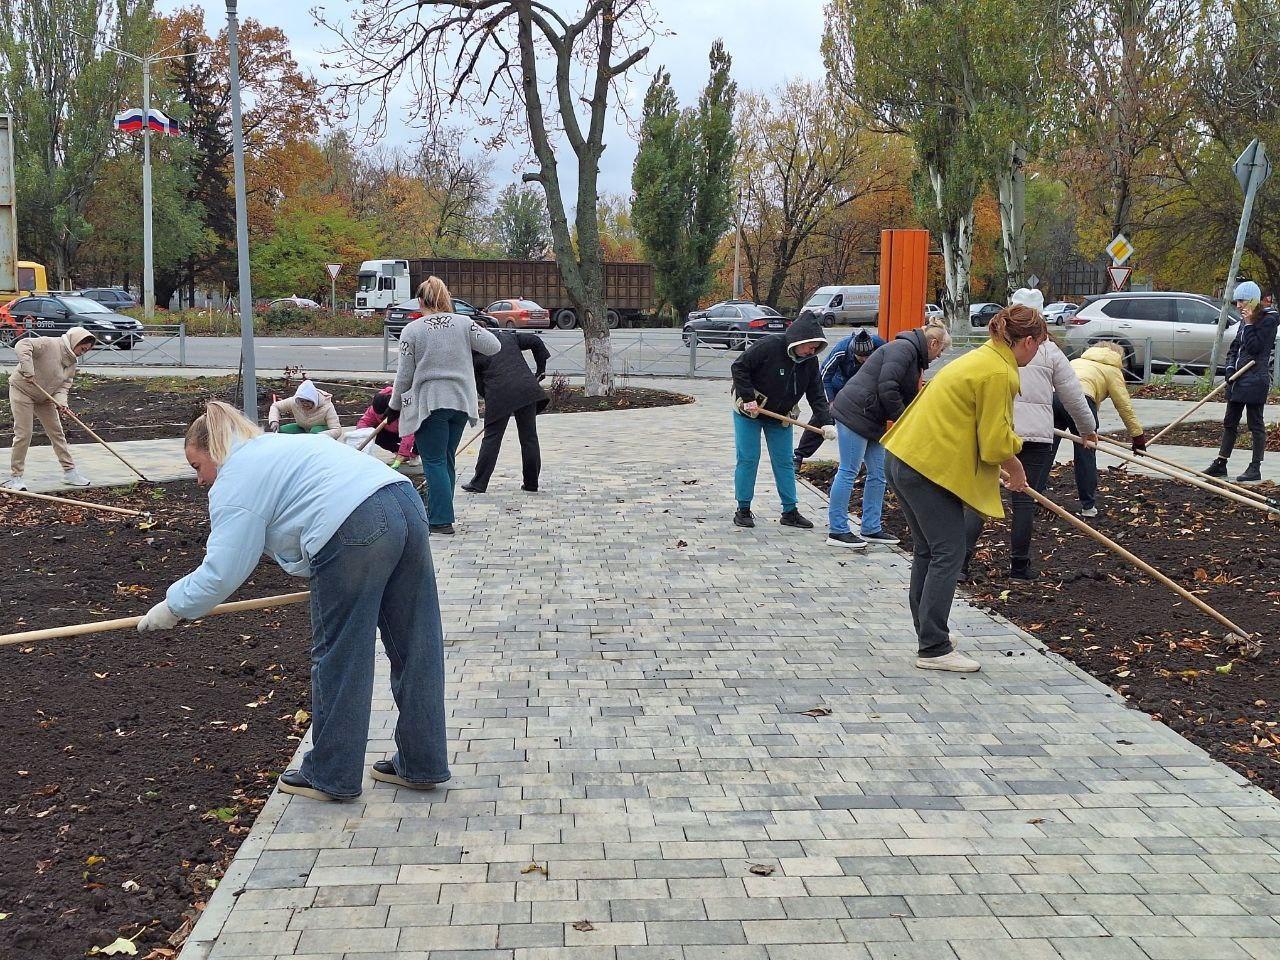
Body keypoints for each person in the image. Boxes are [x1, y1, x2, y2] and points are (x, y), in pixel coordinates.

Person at [136, 401, 450, 802]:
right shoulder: (277, 448)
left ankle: (331, 774)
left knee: (341, 655)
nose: (200, 480)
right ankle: (422, 764)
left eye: (197, 467)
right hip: (403, 502)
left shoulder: (235, 479)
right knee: (416, 644)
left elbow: (223, 571)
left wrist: (172, 606)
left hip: (354, 523)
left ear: (215, 450)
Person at [883, 304, 1047, 673]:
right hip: (925, 467)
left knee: (929, 550)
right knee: (949, 551)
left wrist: (1006, 460)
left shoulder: (983, 358)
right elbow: (993, 443)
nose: (1037, 353)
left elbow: (978, 429)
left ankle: (930, 632)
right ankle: (934, 647)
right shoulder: (998, 373)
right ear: (1029, 341)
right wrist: (1016, 468)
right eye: (1039, 345)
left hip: (904, 458)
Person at [988, 289, 1097, 579]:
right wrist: (1088, 431)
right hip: (1034, 436)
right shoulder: (1049, 350)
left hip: (999, 432)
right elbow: (1074, 396)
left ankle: (961, 564)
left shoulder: (995, 347)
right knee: (1024, 498)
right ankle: (1019, 566)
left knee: (982, 493)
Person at [390, 276, 501, 535]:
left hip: (431, 403)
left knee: (435, 460)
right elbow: (493, 346)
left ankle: (440, 519)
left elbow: (404, 375)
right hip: (461, 401)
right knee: (446, 459)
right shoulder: (463, 323)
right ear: (445, 298)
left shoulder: (413, 330)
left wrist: (393, 406)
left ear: (420, 301)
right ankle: (443, 512)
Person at [827, 319, 951, 549]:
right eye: (941, 350)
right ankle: (837, 530)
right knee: (848, 470)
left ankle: (871, 527)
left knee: (878, 473)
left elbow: (901, 391)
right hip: (855, 413)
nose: (940, 356)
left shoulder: (911, 354)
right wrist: (903, 419)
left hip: (872, 418)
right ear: (933, 343)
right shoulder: (903, 349)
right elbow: (887, 386)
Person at [729, 314, 836, 529]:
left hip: (781, 415)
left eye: (815, 348)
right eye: (809, 347)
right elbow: (739, 367)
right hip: (750, 411)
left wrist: (826, 422)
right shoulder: (768, 347)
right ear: (798, 341)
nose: (812, 351)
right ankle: (743, 509)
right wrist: (748, 398)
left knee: (785, 461)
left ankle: (790, 511)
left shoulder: (809, 362)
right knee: (749, 458)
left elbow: (816, 393)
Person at [1051, 341, 1146, 517]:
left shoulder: (1077, 361)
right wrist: (1138, 438)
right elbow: (1124, 406)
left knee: (1046, 448)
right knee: (1085, 452)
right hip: (1082, 402)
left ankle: (1035, 494)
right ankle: (1088, 506)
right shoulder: (1112, 370)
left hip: (1055, 398)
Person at [462, 319, 551, 494]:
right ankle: (531, 483)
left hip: (499, 394)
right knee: (529, 438)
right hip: (526, 389)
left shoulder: (472, 353)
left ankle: (479, 483)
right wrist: (541, 370)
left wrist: (493, 404)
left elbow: (480, 386)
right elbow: (535, 341)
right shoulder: (506, 337)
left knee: (492, 437)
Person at [4, 327, 97, 490]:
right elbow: (23, 344)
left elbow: (63, 386)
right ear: (75, 341)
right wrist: (27, 369)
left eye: (86, 351)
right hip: (22, 390)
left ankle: (70, 472)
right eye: (82, 349)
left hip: (45, 396)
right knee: (24, 434)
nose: (83, 353)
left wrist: (62, 403)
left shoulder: (72, 363)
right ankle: (16, 477)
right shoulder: (49, 344)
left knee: (57, 432)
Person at [1206, 280, 1278, 483]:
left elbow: (1255, 348)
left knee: (1256, 423)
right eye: (1236, 301)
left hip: (1255, 379)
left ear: (1253, 301)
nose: (1238, 306)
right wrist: (1229, 369)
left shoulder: (1269, 319)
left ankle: (1255, 467)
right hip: (1237, 380)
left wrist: (1248, 324)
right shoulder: (1244, 320)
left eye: (1242, 301)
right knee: (1230, 421)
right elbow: (1235, 347)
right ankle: (1221, 463)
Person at [793, 322, 885, 469]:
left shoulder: (879, 346)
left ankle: (861, 459)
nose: (865, 360)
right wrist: (830, 401)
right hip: (838, 387)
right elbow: (824, 375)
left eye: (868, 356)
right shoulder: (841, 349)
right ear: (853, 350)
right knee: (821, 419)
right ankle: (799, 455)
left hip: (862, 390)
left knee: (864, 421)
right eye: (861, 357)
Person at [356, 386, 417, 465]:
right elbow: (364, 422)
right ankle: (398, 452)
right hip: (393, 432)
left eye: (383, 415)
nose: (380, 417)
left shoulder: (406, 409)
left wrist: (402, 455)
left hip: (413, 432)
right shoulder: (376, 407)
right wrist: (360, 436)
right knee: (375, 434)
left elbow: (409, 434)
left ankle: (414, 455)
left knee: (420, 438)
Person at [268, 380, 341, 436]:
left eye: (308, 401)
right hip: (303, 428)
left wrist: (320, 436)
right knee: (281, 431)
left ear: (314, 400)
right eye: (302, 401)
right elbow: (275, 406)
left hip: (320, 433)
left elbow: (337, 430)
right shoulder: (294, 402)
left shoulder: (327, 406)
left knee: (315, 431)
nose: (305, 404)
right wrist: (274, 421)